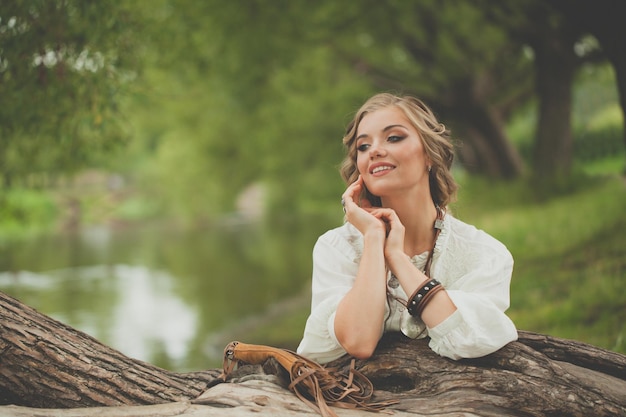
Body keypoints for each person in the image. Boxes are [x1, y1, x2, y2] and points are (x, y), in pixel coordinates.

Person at [297, 93, 518, 364]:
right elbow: (358, 341)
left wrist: (398, 260)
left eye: (394, 138)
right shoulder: (337, 249)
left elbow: (468, 341)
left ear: (429, 155)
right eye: (363, 146)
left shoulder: (484, 254)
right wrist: (374, 238)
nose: (374, 151)